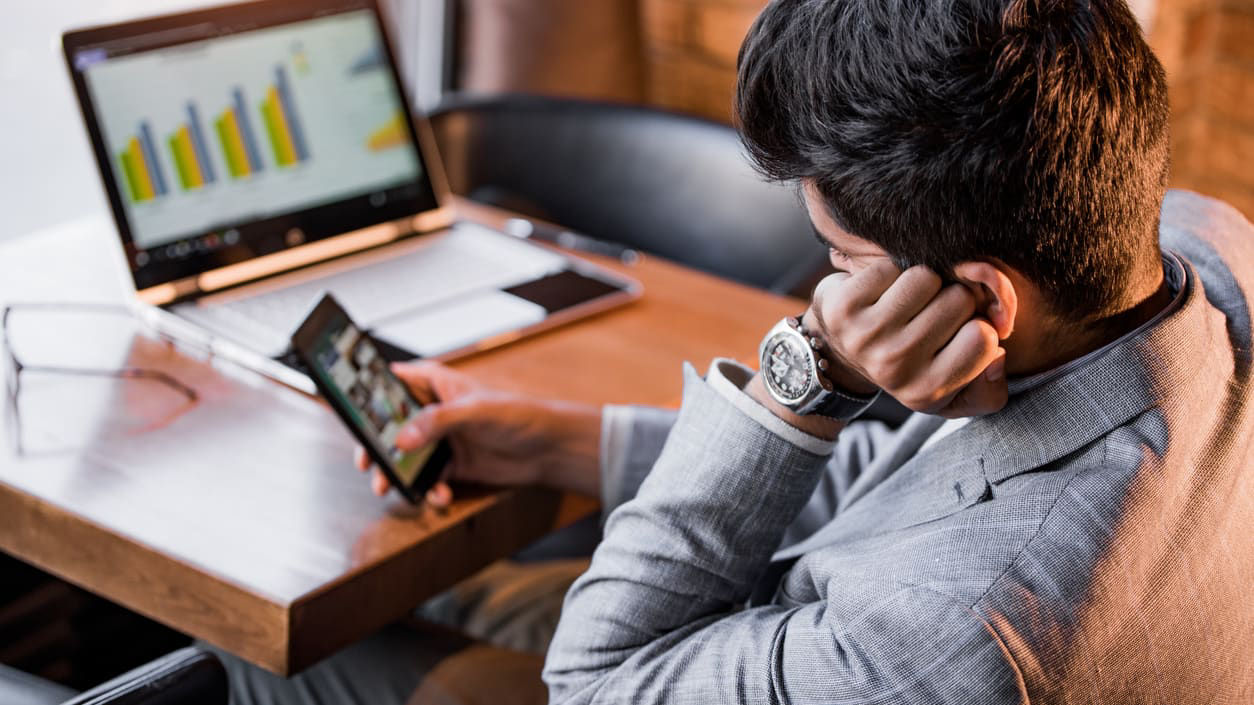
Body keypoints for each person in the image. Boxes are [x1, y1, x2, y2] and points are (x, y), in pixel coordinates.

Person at [216, 0, 1254, 702]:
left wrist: (808, 372)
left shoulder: (956, 637)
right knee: (413, 575)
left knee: (271, 646)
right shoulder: (1208, 250)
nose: (824, 293)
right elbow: (911, 490)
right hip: (799, 613)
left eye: (839, 257)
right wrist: (554, 445)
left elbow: (595, 681)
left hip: (724, 655)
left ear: (979, 298)